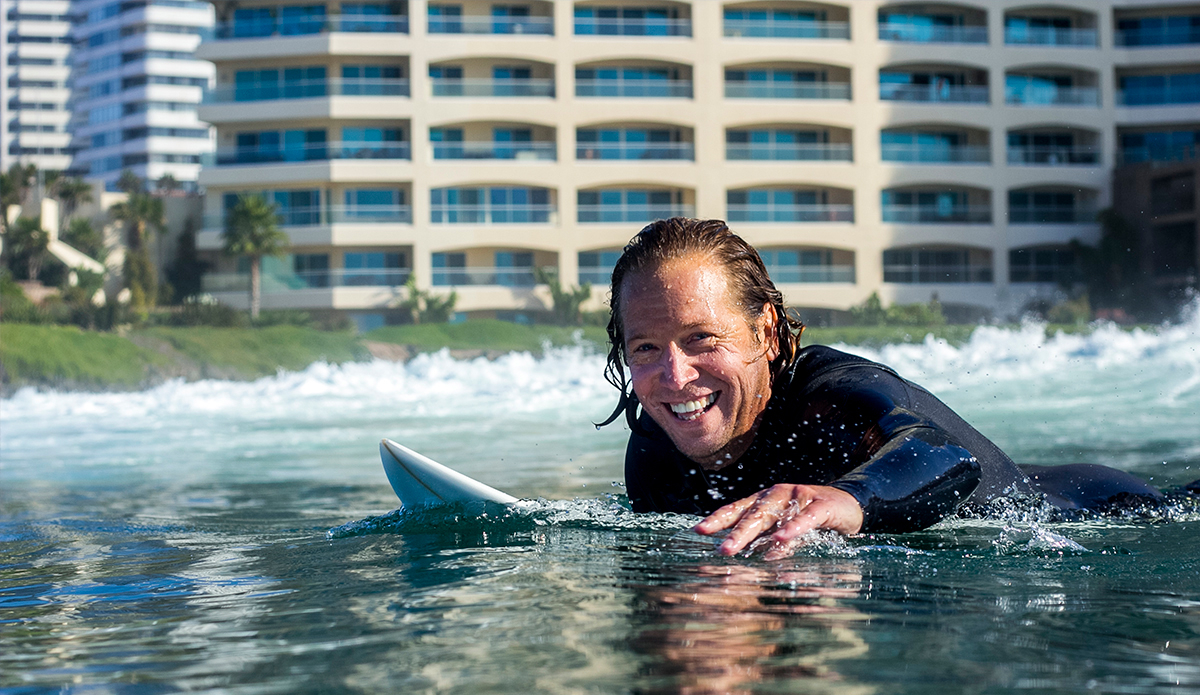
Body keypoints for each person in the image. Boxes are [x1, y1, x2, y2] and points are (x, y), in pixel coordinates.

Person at [601, 218, 1164, 557]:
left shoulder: (833, 397)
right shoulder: (657, 450)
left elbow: (944, 454)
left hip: (1095, 514)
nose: (675, 377)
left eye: (701, 338)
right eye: (646, 347)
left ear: (766, 332)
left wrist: (848, 499)